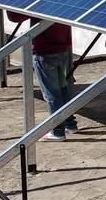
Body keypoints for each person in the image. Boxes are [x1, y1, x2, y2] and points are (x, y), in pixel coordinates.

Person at [7, 11, 76, 141]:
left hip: (44, 52)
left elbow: (15, 17)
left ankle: (57, 131)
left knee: (51, 93)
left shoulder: (41, 3)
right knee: (62, 89)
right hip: (62, 50)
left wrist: (5, 1)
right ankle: (70, 124)